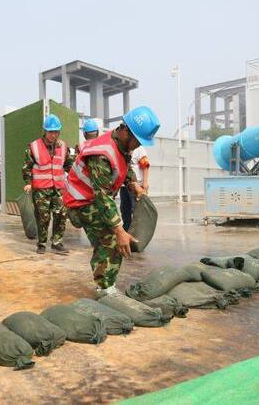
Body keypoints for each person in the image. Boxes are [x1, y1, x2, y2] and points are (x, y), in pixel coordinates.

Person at [63, 106, 160, 297]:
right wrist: (119, 230)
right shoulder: (102, 154)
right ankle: (104, 288)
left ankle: (105, 279)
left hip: (91, 199)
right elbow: (102, 197)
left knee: (109, 238)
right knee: (113, 239)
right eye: (137, 141)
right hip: (80, 202)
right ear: (126, 131)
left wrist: (135, 186)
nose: (138, 146)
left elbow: (125, 168)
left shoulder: (123, 146)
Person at [22, 114, 74, 255]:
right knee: (42, 216)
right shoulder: (33, 147)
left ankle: (57, 242)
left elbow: (69, 165)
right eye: (51, 132)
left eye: (56, 132)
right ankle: (42, 243)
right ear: (45, 131)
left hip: (58, 188)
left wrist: (77, 179)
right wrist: (27, 182)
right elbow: (27, 167)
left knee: (61, 214)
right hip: (41, 189)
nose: (54, 135)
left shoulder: (63, 147)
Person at [121, 145, 151, 230]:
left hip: (136, 186)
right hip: (124, 186)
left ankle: (138, 231)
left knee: (136, 210)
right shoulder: (122, 148)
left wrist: (145, 182)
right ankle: (127, 230)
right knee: (125, 209)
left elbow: (145, 166)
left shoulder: (139, 149)